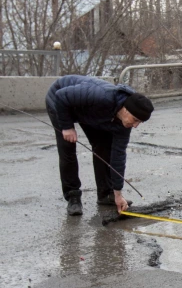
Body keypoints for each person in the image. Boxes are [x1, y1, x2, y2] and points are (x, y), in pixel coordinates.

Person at [45, 75, 154, 216]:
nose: (135, 126)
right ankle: (73, 196)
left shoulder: (124, 125)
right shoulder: (101, 96)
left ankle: (105, 194)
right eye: (135, 120)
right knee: (68, 148)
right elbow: (61, 96)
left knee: (103, 146)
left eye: (140, 122)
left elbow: (118, 157)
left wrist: (118, 193)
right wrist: (67, 127)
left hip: (88, 111)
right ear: (126, 110)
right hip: (60, 100)